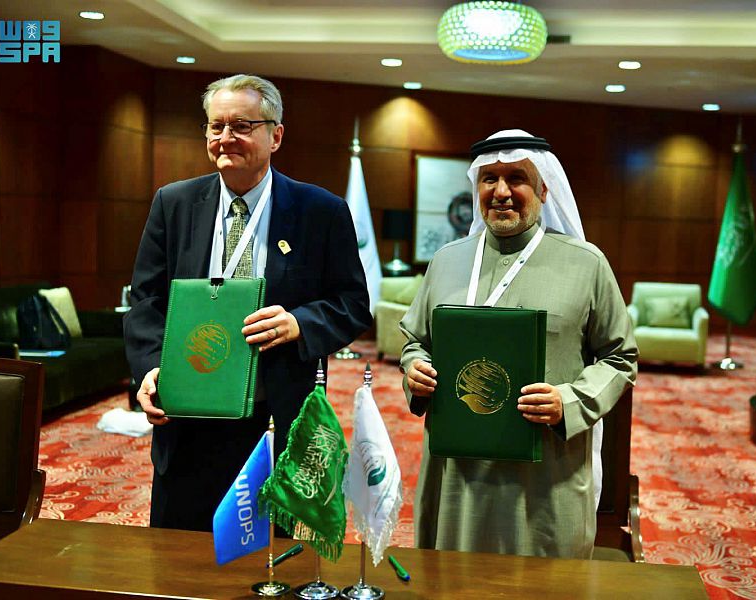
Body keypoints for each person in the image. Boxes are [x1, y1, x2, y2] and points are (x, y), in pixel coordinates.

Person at [124, 74, 372, 531]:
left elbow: (353, 303)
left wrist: (300, 323)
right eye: (215, 126)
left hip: (274, 418)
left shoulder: (321, 211)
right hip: (188, 415)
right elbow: (146, 301)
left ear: (275, 136)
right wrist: (151, 368)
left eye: (241, 126)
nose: (225, 137)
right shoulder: (173, 203)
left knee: (270, 552)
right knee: (179, 552)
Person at [400, 129, 637, 559]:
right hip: (457, 475)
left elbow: (620, 357)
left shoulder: (586, 264)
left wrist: (569, 401)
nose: (501, 192)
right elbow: (416, 341)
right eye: (489, 179)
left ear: (544, 190)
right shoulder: (447, 260)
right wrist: (414, 370)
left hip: (546, 474)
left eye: (517, 178)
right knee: (451, 578)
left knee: (543, 582)